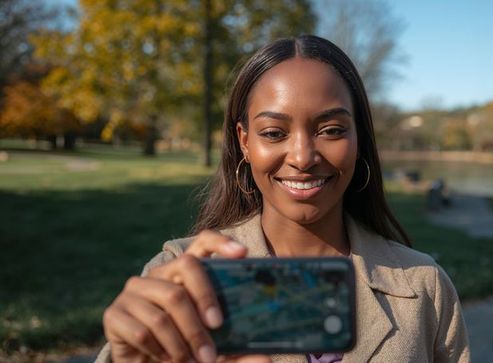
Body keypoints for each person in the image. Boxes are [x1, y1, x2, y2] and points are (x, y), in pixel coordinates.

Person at [97, 35, 470, 363]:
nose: (303, 156)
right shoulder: (181, 278)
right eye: (274, 132)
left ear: (359, 140)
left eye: (332, 130)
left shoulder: (424, 286)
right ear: (245, 141)